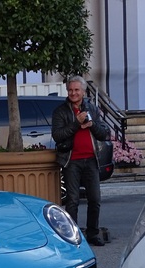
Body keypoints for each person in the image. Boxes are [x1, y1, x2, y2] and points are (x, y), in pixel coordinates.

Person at [52, 75, 110, 246]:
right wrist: (76, 124)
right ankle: (73, 236)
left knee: (95, 199)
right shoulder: (60, 111)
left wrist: (91, 124)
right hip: (71, 161)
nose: (73, 93)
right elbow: (57, 136)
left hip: (91, 160)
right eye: (70, 90)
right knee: (72, 200)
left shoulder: (91, 108)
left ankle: (93, 233)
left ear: (83, 92)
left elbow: (104, 133)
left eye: (76, 90)